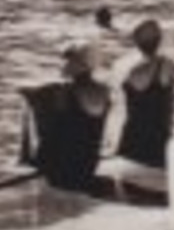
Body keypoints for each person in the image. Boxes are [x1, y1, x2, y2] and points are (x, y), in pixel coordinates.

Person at [20, 44, 112, 192]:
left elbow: (52, 133)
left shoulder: (63, 93)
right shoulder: (105, 91)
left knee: (40, 110)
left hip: (63, 174)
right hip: (88, 166)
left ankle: (28, 163)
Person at [115, 20, 174, 170]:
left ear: (137, 44)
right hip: (161, 138)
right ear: (159, 41)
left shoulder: (131, 69)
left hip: (134, 140)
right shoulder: (169, 65)